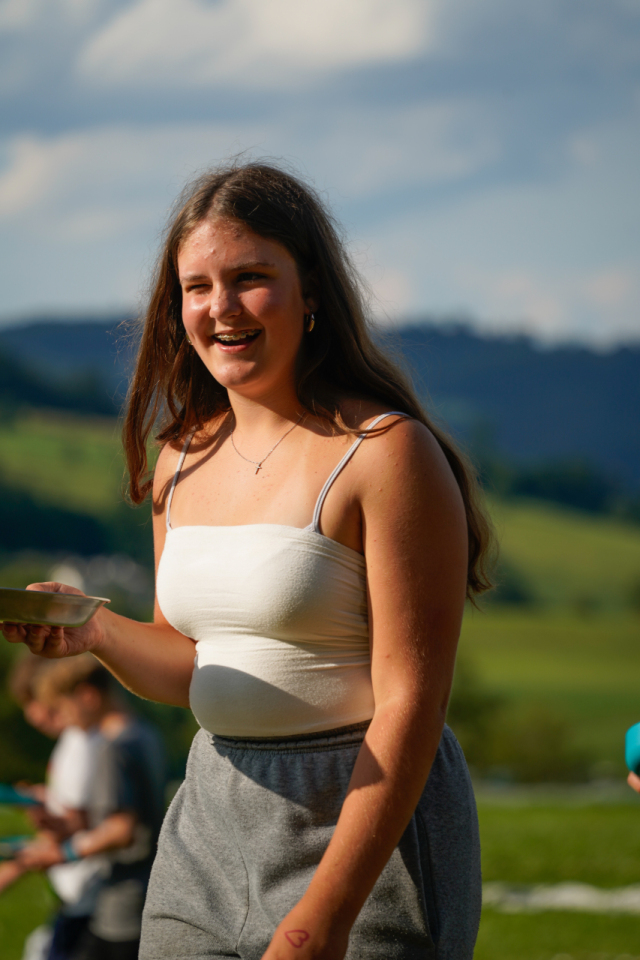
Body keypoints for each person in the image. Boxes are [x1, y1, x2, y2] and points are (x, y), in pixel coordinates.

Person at [1, 161, 494, 960]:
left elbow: (412, 701)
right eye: (197, 287)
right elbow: (189, 663)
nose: (221, 307)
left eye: (250, 278)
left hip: (362, 823)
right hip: (208, 820)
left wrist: (323, 915)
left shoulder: (386, 453)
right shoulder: (179, 459)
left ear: (312, 293)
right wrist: (97, 634)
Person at [15, 655, 166, 960]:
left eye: (62, 708)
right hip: (146, 891)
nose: (65, 720)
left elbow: (122, 828)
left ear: (87, 696)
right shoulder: (144, 733)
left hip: (122, 902)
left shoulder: (114, 747)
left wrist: (65, 853)